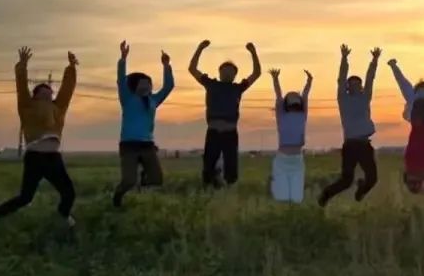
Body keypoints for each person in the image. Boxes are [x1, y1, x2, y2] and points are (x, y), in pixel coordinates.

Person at [0, 48, 78, 226]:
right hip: (35, 158)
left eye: (49, 92)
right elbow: (21, 88)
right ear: (35, 96)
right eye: (43, 92)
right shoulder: (27, 107)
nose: (47, 94)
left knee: (69, 193)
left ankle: (63, 214)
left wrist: (71, 67)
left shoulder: (58, 109)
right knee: (25, 198)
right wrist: (22, 66)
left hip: (53, 158)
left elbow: (67, 90)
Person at [188, 39, 262, 188]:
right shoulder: (211, 84)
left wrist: (253, 52)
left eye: (231, 71)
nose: (227, 73)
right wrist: (200, 48)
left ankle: (228, 191)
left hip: (230, 132)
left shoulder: (237, 88)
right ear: (220, 72)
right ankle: (209, 187)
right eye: (224, 70)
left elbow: (256, 73)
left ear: (235, 75)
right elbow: (192, 69)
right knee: (208, 164)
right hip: (214, 131)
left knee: (231, 165)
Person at [319, 44, 382, 207]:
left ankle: (361, 191)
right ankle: (325, 196)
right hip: (351, 145)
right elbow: (340, 79)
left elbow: (370, 79)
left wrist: (374, 60)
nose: (355, 86)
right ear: (348, 87)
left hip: (364, 144)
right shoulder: (343, 99)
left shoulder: (365, 97)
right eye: (352, 84)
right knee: (347, 180)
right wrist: (344, 58)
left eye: (357, 84)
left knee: (372, 178)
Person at [114, 41, 174, 207]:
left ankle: (144, 179)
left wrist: (166, 65)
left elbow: (169, 86)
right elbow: (121, 79)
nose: (147, 85)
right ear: (134, 85)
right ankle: (118, 196)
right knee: (128, 181)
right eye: (143, 82)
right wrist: (123, 58)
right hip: (129, 145)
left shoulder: (153, 100)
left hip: (147, 144)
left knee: (157, 179)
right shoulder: (127, 98)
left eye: (149, 83)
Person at [270, 68, 312, 203]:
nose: (294, 96)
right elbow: (278, 96)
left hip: (297, 159)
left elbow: (305, 96)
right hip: (282, 159)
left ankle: (293, 219)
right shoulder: (282, 115)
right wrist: (275, 79)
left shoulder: (302, 115)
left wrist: (309, 81)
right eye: (291, 95)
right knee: (282, 196)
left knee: (296, 197)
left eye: (296, 95)